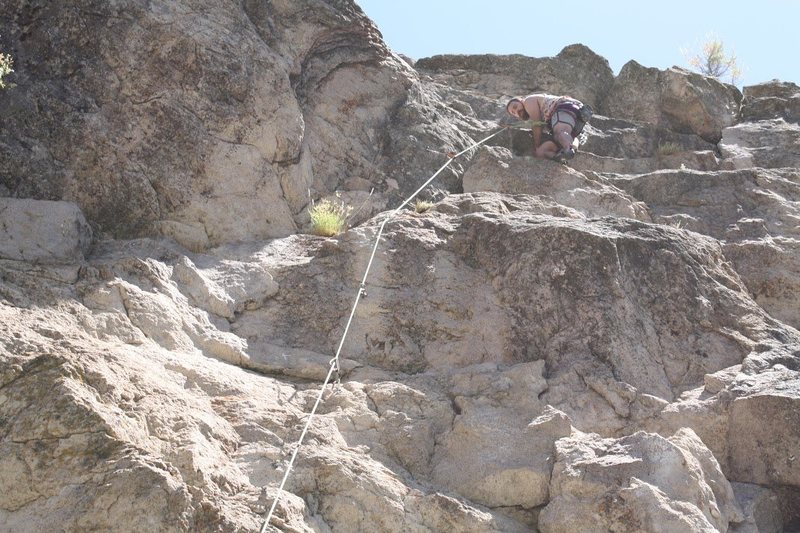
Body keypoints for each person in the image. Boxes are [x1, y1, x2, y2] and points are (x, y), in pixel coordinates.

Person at [506, 94, 592, 162]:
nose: (517, 111)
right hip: (572, 115)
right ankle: (561, 156)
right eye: (514, 113)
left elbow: (537, 124)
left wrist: (537, 145)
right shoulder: (536, 111)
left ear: (521, 100)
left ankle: (567, 149)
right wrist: (538, 149)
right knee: (540, 152)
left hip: (563, 107)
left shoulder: (528, 101)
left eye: (515, 106)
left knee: (560, 132)